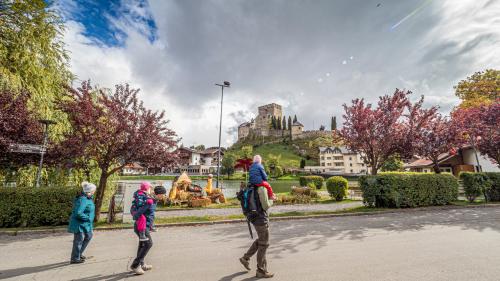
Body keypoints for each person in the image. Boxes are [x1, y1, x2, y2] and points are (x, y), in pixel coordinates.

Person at [239, 173, 274, 278]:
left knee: (261, 240)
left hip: (253, 218)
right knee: (264, 244)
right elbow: (266, 205)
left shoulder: (250, 186)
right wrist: (272, 199)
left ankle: (245, 258)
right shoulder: (261, 188)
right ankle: (261, 271)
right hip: (261, 219)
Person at [130, 184, 167, 275]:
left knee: (142, 245)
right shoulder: (149, 201)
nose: (164, 196)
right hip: (141, 227)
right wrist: (141, 223)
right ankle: (135, 265)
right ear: (159, 194)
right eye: (163, 194)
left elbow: (150, 215)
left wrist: (151, 226)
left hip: (145, 226)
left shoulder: (153, 200)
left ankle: (141, 264)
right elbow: (138, 213)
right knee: (148, 244)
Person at [68, 181, 96, 264]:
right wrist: (87, 218)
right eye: (94, 190)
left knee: (89, 235)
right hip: (79, 224)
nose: (94, 191)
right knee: (78, 240)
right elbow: (78, 213)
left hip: (86, 223)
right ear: (90, 191)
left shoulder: (88, 198)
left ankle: (79, 253)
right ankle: (75, 258)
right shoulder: (83, 199)